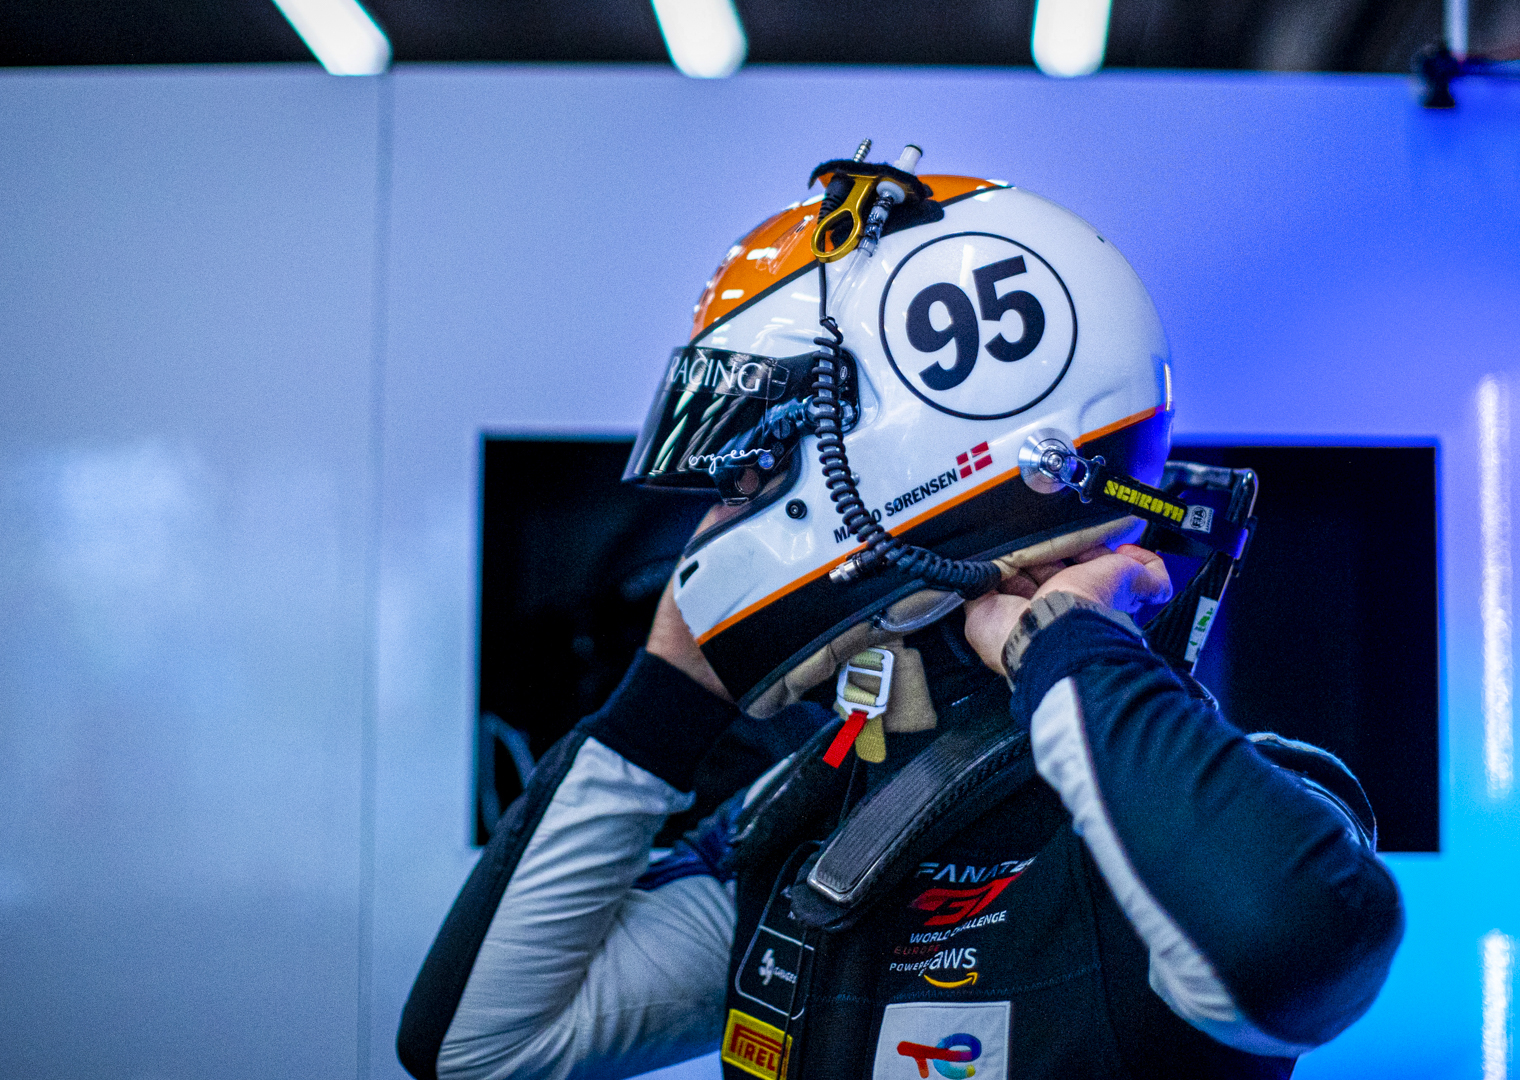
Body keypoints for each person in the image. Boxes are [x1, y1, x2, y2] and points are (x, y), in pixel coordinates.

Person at [398, 149, 1404, 1080]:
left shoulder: (1250, 801)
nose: (714, 524)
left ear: (907, 448)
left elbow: (1286, 948)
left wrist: (1068, 647)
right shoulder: (803, 814)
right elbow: (481, 1045)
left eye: (753, 475)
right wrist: (666, 694)